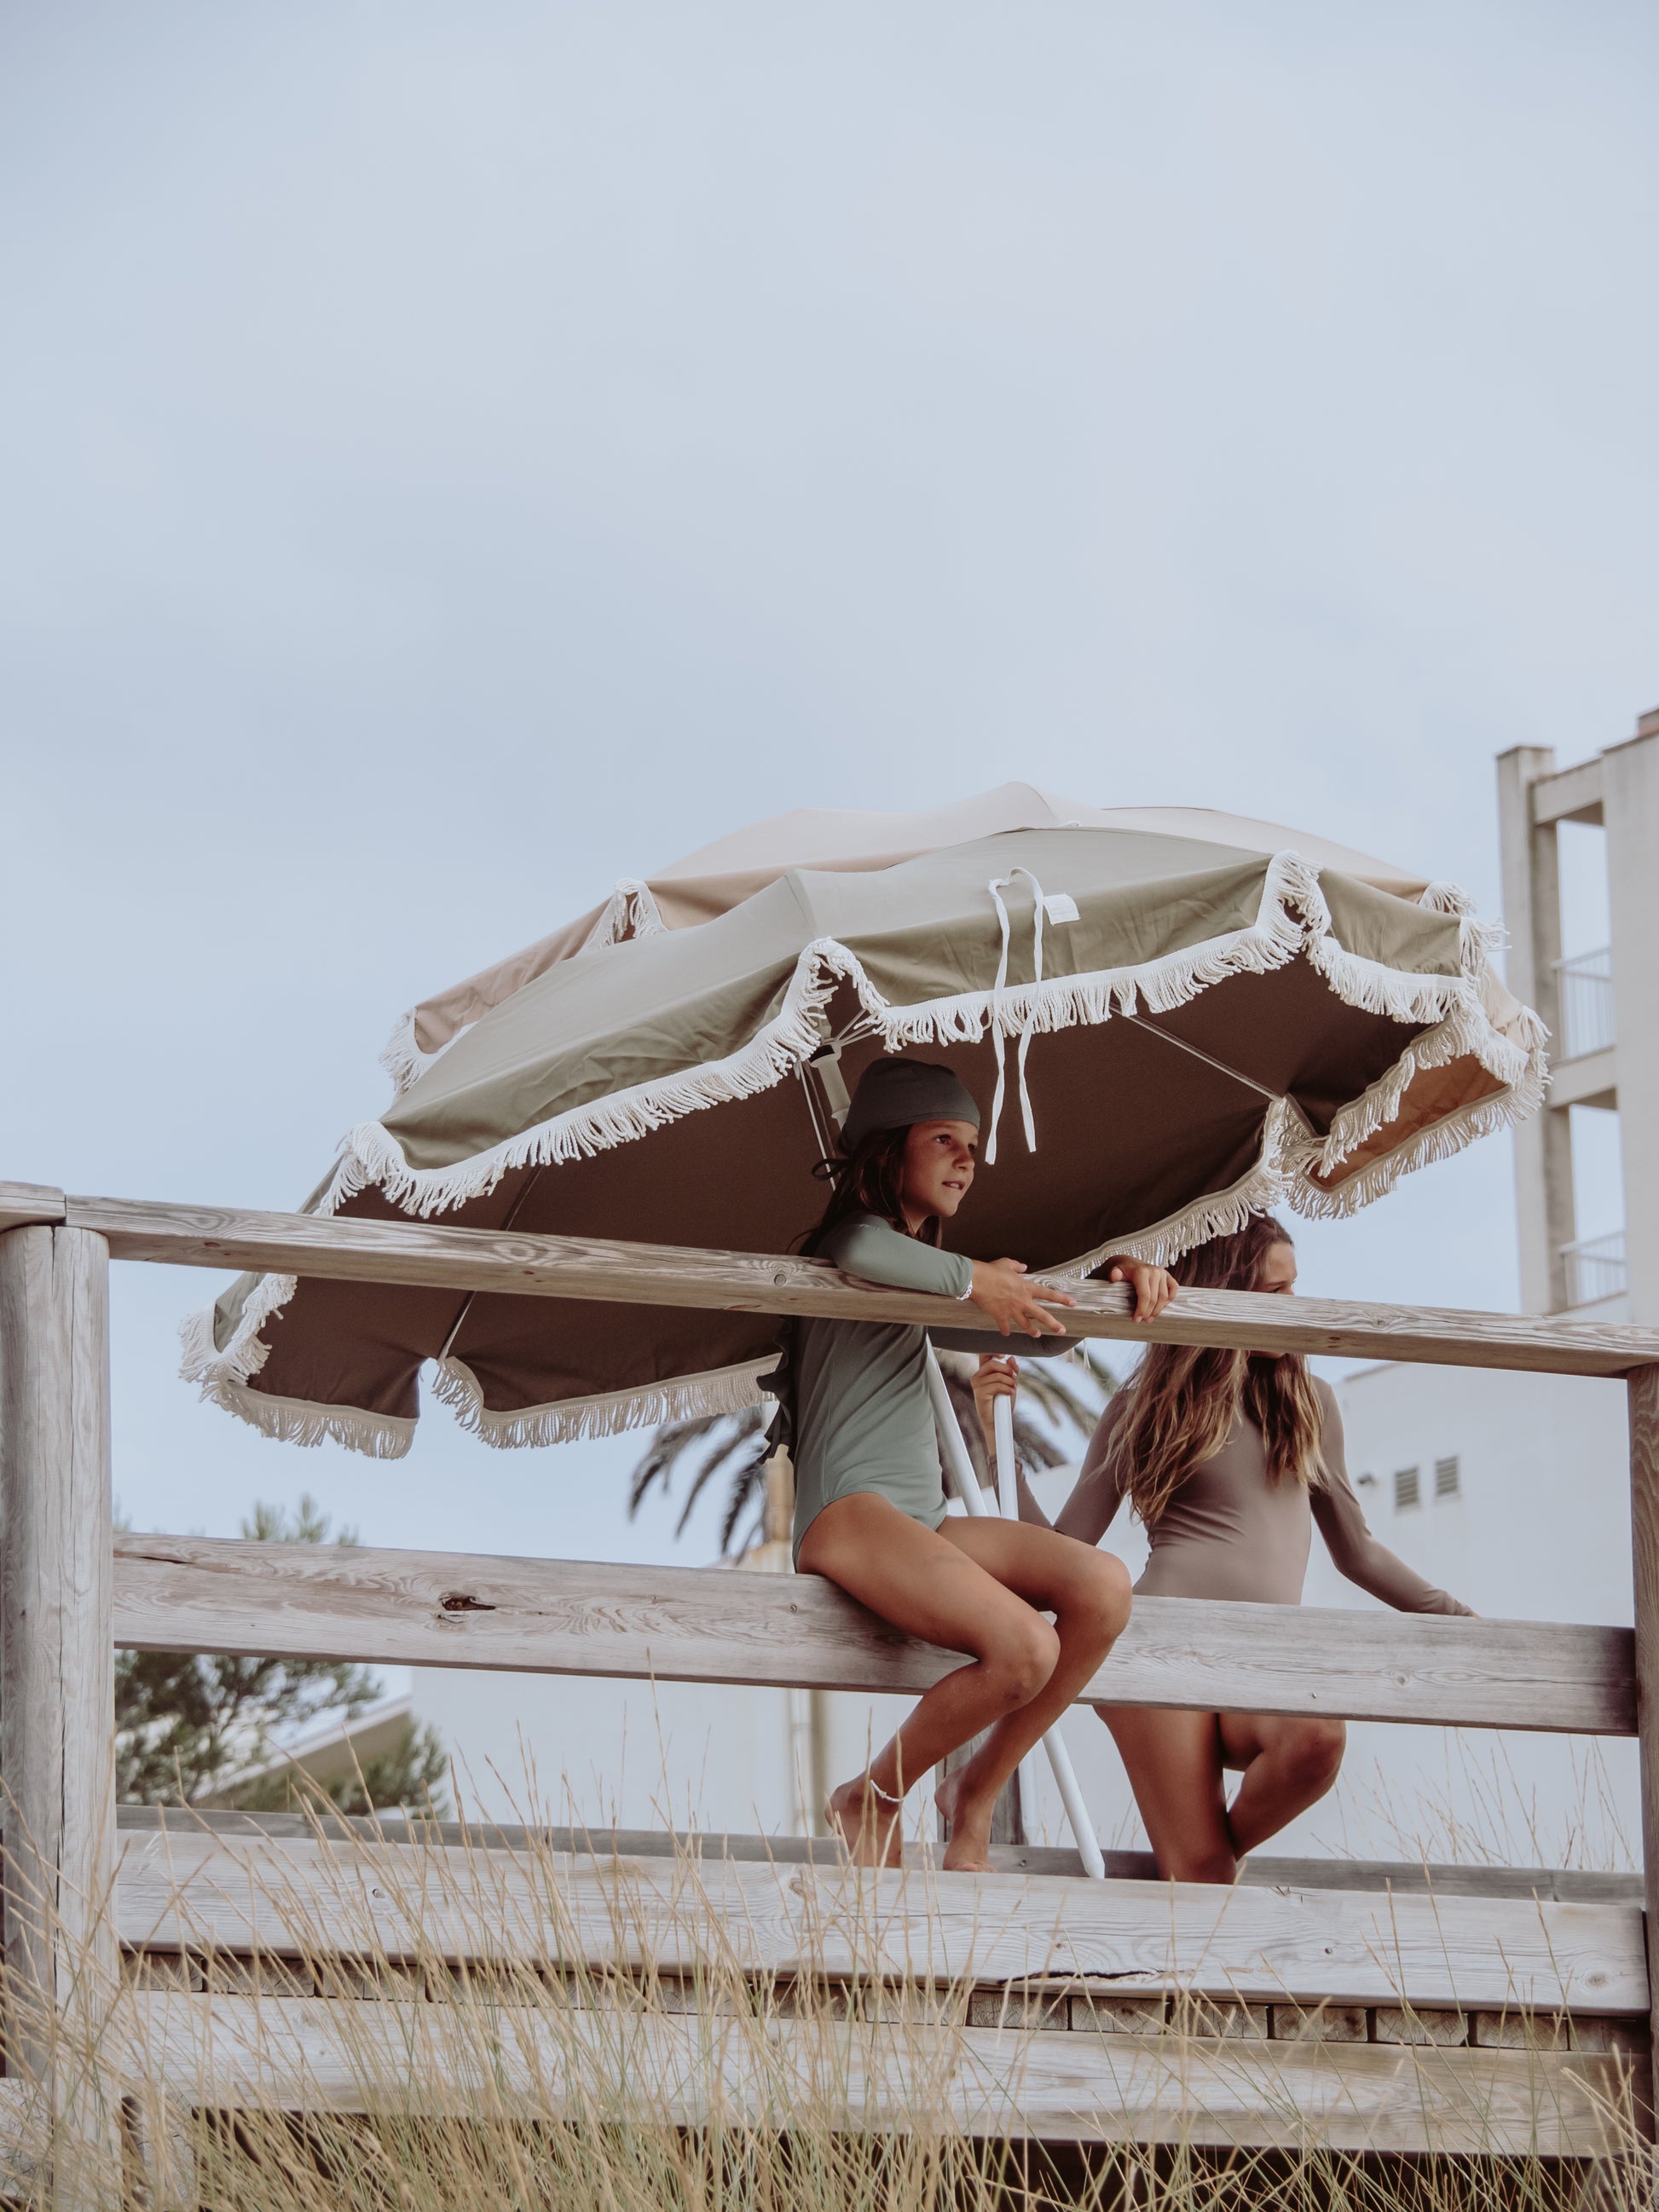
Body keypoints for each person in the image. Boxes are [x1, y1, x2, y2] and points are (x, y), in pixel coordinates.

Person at [975, 1213, 1472, 1885]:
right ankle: (1201, 1868)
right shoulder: (1146, 1405)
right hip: (1153, 1654)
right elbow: (1061, 1552)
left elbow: (1357, 1552)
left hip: (1260, 1654)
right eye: (1272, 1294)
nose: (1291, 1309)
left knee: (1316, 1739)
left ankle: (1209, 1854)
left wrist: (1457, 1621)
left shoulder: (1310, 1403)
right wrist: (992, 1439)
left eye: (1295, 1289)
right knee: (1203, 1879)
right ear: (1221, 1292)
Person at [781, 1054, 1177, 1873]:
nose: (970, 1159)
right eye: (945, 1139)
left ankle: (975, 1790)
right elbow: (858, 1240)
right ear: (889, 1149)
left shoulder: (932, 1282)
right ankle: (874, 1794)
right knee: (1027, 1648)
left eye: (974, 1143)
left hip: (916, 1520)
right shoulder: (849, 1245)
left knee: (1104, 1587)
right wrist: (971, 1280)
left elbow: (1047, 1326)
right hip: (847, 1514)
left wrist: (1118, 1278)